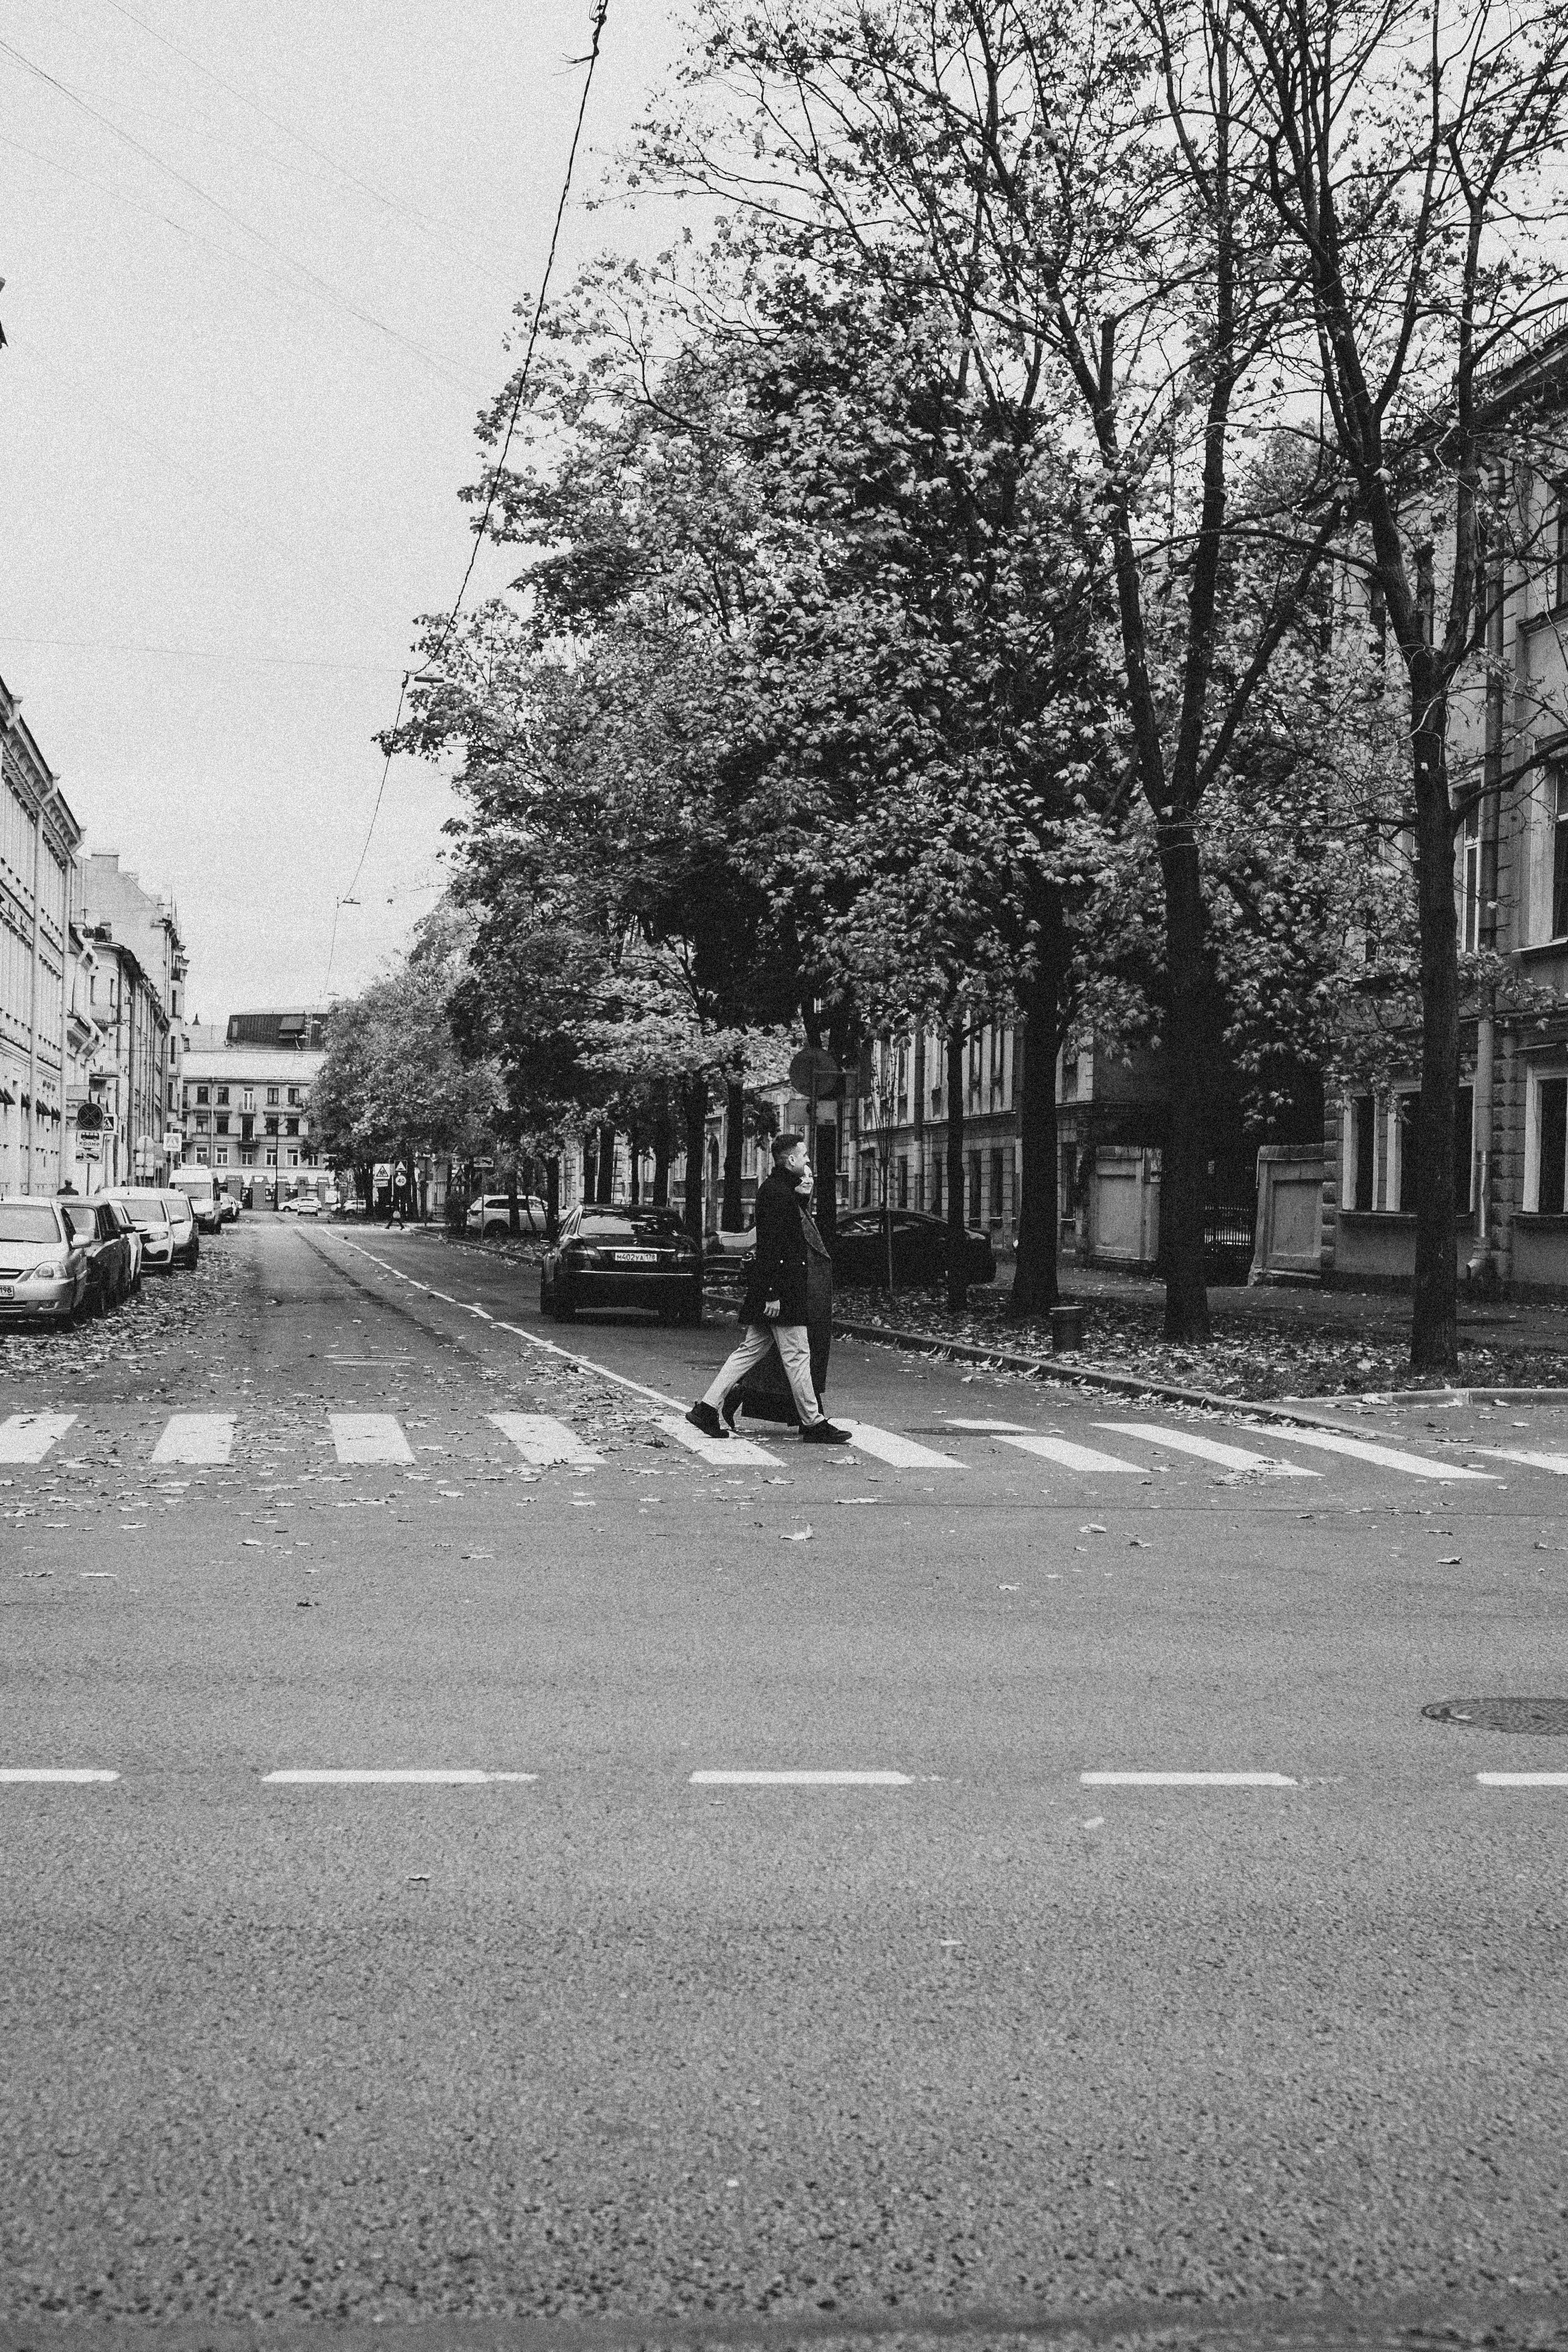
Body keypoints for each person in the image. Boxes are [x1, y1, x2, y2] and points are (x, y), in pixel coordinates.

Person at [687, 1131, 851, 1444]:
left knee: (749, 1352)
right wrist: (773, 1294)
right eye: (803, 1156)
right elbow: (772, 1247)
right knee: (799, 1356)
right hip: (782, 1291)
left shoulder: (780, 1191)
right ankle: (814, 1423)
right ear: (791, 1160)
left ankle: (706, 1409)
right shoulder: (777, 1194)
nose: (807, 1161)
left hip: (777, 1288)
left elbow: (788, 1234)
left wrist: (804, 1196)